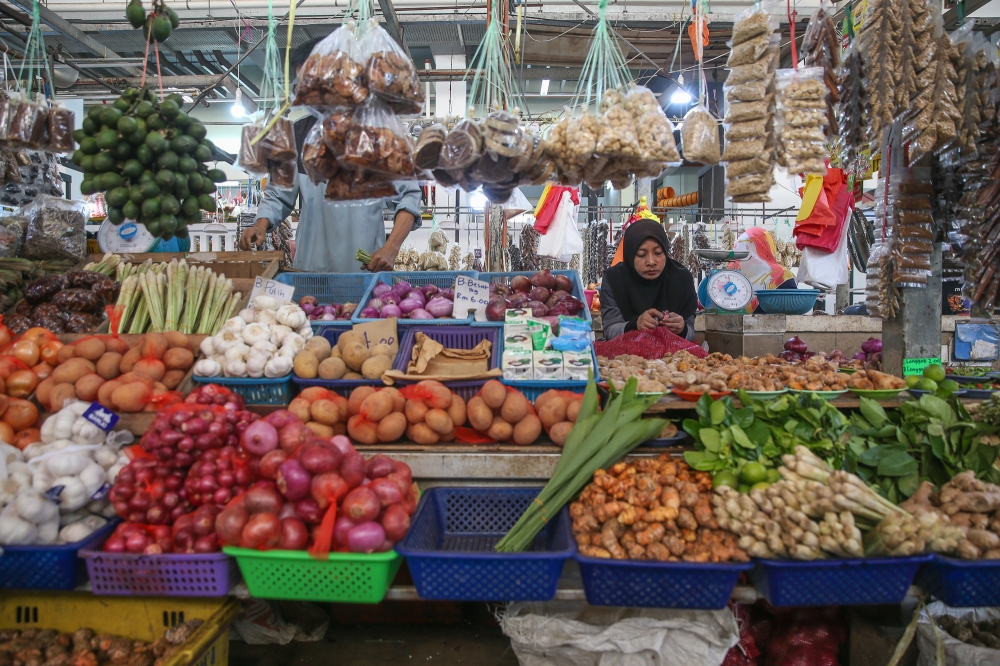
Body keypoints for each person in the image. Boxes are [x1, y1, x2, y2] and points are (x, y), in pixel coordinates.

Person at [239, 37, 422, 272]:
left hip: (364, 273)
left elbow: (408, 197)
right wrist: (261, 225)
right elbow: (278, 196)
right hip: (311, 273)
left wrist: (392, 248)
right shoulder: (295, 135)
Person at [600, 219, 697, 341]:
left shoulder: (681, 279)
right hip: (626, 357)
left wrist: (682, 328)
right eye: (641, 254)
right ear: (630, 254)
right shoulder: (615, 280)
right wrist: (635, 325)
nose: (651, 262)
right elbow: (610, 330)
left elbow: (690, 333)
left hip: (674, 357)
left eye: (658, 253)